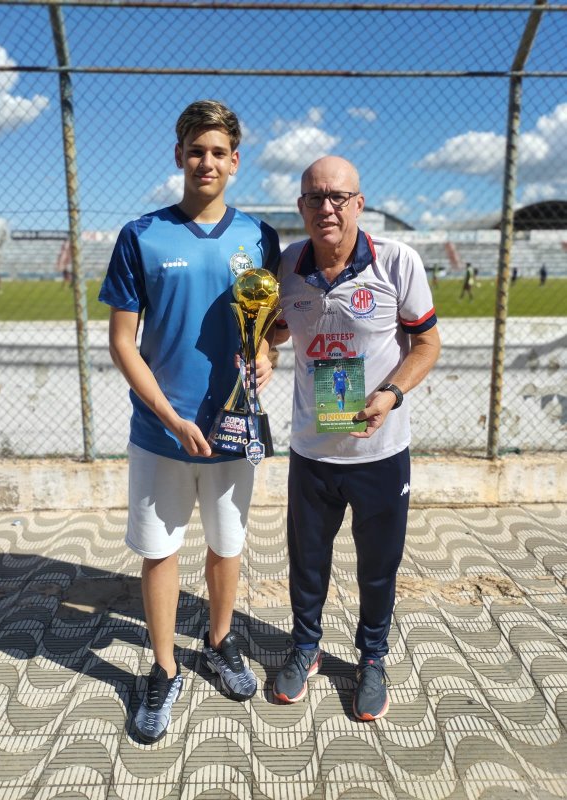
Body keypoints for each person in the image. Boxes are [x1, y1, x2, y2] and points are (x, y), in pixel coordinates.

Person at [99, 100, 280, 743]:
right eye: (196, 150)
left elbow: (267, 327)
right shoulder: (140, 234)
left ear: (236, 161)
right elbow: (123, 342)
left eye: (219, 152)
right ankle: (163, 667)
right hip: (162, 431)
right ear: (179, 155)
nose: (207, 161)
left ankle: (221, 642)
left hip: (233, 428)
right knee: (160, 550)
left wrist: (265, 355)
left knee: (227, 545)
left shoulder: (259, 236)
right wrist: (170, 416)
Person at [271, 156, 440, 721]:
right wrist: (263, 354)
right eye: (315, 197)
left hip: (379, 452)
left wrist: (390, 394)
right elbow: (267, 332)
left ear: (359, 203)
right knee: (308, 562)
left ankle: (372, 658)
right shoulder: (286, 268)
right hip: (312, 451)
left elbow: (427, 345)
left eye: (339, 197)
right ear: (300, 207)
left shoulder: (397, 262)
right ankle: (304, 648)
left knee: (378, 566)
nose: (327, 207)